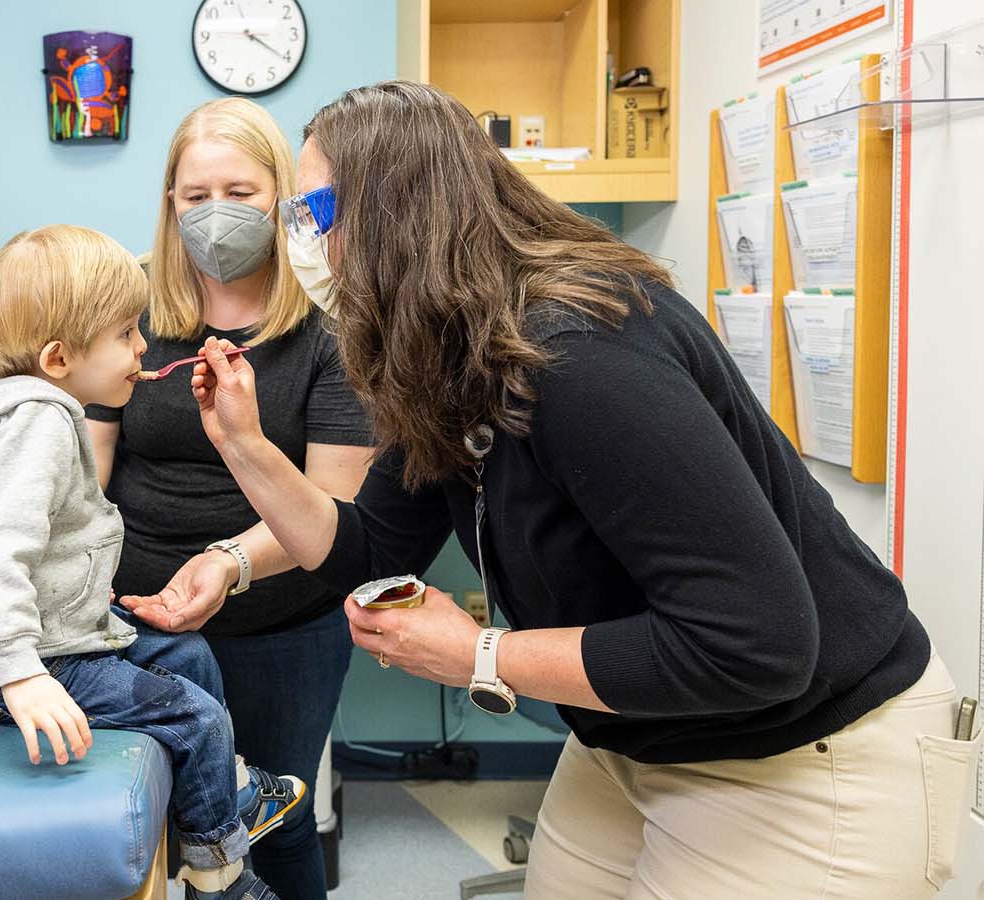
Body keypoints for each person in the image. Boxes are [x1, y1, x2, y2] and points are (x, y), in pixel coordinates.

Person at [178, 81, 980, 899]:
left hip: (804, 746)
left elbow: (759, 644)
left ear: (396, 212)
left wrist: (480, 655)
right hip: (637, 736)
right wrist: (243, 445)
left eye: (314, 211)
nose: (301, 241)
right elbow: (367, 549)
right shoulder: (451, 353)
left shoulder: (584, 355)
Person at [0, 225, 305, 900]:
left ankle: (230, 793)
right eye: (124, 334)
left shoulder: (22, 407)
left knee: (189, 653)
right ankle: (220, 875)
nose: (143, 347)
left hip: (63, 637)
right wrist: (20, 674)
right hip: (36, 661)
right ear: (59, 357)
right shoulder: (39, 423)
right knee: (194, 717)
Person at [85, 98, 375, 900]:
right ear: (169, 205)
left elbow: (334, 503)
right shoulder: (128, 306)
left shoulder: (334, 324)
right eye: (194, 196)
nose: (216, 214)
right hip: (132, 617)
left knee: (269, 831)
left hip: (282, 625)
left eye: (240, 193)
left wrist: (227, 562)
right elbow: (89, 460)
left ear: (281, 196)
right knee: (143, 834)